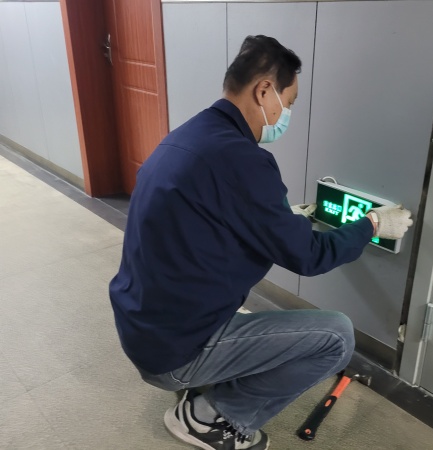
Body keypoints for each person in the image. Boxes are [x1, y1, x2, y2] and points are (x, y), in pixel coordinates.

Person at [109, 35, 412, 450]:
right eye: (290, 101)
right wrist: (372, 224)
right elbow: (310, 256)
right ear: (265, 90)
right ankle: (211, 418)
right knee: (337, 336)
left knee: (249, 314)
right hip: (173, 351)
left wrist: (281, 219)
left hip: (142, 327)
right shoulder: (243, 160)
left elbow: (211, 221)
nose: (287, 113)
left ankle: (204, 384)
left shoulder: (190, 135)